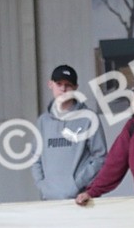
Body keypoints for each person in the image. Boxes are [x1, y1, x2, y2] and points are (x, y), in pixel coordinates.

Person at [31, 65, 107, 200]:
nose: (63, 89)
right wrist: (42, 184)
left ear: (76, 87)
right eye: (58, 84)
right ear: (50, 84)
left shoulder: (88, 118)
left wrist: (77, 184)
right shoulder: (43, 121)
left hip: (79, 199)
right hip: (49, 199)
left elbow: (100, 157)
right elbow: (35, 157)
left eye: (68, 85)